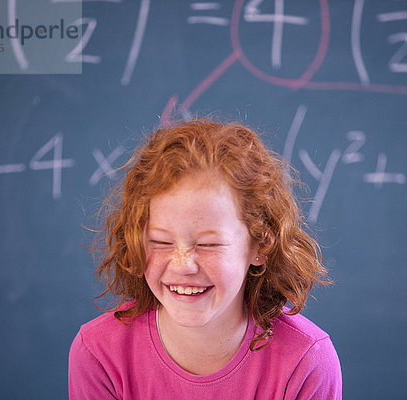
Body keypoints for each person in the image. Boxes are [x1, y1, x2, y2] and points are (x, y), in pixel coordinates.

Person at [68, 119, 342, 399]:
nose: (183, 264)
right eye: (160, 242)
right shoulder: (98, 354)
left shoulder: (306, 361)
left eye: (209, 244)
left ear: (260, 246)